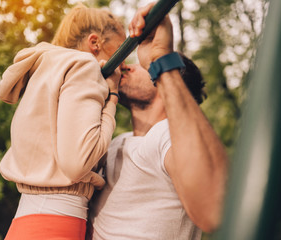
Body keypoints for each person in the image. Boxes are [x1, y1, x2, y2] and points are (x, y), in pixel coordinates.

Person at [90, 2, 228, 239]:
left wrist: (160, 60)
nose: (128, 67)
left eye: (144, 67)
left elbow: (217, 208)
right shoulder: (115, 141)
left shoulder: (164, 135)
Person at [0, 3, 125, 239]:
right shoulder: (84, 66)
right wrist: (113, 98)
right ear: (94, 43)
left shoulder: (46, 72)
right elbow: (78, 163)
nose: (123, 67)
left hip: (29, 220)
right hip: (55, 224)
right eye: (120, 53)